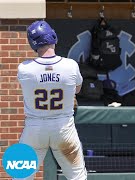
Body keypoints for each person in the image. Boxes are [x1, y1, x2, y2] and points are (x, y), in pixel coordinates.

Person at [16, 20, 87, 180]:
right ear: (53, 36)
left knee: (21, 176)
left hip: (34, 128)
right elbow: (77, 89)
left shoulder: (24, 68)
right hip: (63, 128)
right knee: (78, 177)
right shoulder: (71, 65)